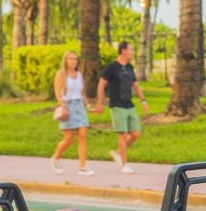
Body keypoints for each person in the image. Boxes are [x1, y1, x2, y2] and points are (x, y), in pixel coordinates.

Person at [96, 40, 146, 174]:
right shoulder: (112, 67)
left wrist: (143, 100)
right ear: (123, 51)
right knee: (123, 135)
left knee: (135, 133)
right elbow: (101, 84)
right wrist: (100, 103)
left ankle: (118, 152)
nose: (133, 52)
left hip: (129, 105)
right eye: (131, 49)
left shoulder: (129, 67)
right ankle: (124, 164)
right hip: (117, 106)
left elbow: (135, 85)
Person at [50, 49, 92, 176]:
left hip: (79, 106)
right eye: (70, 58)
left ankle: (82, 167)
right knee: (69, 139)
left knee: (82, 136)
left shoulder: (78, 74)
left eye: (75, 59)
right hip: (67, 106)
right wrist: (63, 107)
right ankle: (55, 158)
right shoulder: (61, 74)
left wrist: (88, 105)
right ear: (65, 60)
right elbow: (57, 92)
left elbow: (82, 92)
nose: (73, 61)